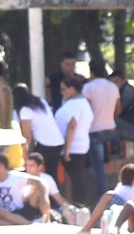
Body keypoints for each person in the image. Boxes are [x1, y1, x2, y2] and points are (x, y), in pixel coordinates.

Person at [77, 163, 134, 234]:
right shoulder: (132, 192)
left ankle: (88, 226)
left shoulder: (121, 188)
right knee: (110, 196)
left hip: (127, 217)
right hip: (123, 215)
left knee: (109, 195)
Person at [53, 76, 97, 205]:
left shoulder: (75, 104)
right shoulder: (80, 103)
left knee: (77, 179)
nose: (62, 93)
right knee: (77, 177)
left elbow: (72, 126)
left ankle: (80, 205)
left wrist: (67, 150)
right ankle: (78, 204)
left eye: (64, 89)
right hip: (79, 145)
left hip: (73, 147)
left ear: (73, 89)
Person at [13, 84, 65, 176]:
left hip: (45, 144)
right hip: (58, 141)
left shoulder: (25, 110)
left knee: (31, 171)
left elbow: (27, 136)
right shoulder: (40, 102)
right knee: (52, 173)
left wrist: (27, 154)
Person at [81, 64, 118, 173]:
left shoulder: (88, 87)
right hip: (111, 129)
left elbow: (85, 110)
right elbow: (118, 109)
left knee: (98, 169)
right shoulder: (113, 86)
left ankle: (102, 190)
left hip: (94, 130)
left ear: (91, 73)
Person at [0, 155, 52, 225]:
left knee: (39, 190)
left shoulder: (15, 176)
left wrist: (44, 197)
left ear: (1, 166)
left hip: (21, 211)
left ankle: (34, 223)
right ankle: (30, 224)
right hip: (4, 214)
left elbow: (41, 182)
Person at [107, 69, 134, 146]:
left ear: (123, 81)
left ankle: (116, 150)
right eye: (112, 83)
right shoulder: (121, 91)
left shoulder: (127, 92)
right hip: (132, 126)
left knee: (112, 122)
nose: (114, 85)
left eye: (116, 82)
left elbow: (117, 111)